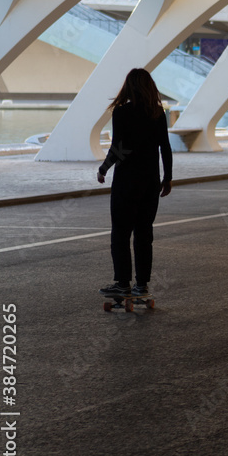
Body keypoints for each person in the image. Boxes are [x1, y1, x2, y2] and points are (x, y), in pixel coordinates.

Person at [96, 68, 172, 297]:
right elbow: (165, 148)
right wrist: (167, 178)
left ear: (128, 87)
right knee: (144, 234)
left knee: (120, 232)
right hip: (150, 182)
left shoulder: (122, 113)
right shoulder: (158, 113)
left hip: (126, 182)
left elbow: (119, 149)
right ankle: (141, 285)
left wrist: (103, 169)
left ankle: (122, 283)